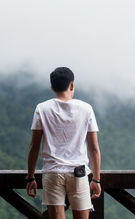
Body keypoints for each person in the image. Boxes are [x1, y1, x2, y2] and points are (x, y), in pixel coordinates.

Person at [26, 67, 101, 219]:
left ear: (52, 87)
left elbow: (34, 146)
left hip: (52, 171)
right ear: (72, 85)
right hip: (78, 172)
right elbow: (93, 148)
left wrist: (30, 177)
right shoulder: (86, 109)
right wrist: (96, 179)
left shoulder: (42, 108)